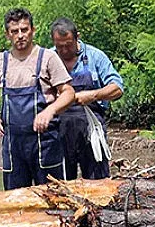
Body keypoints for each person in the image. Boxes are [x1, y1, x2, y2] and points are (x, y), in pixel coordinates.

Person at [0, 8, 74, 190]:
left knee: (53, 196)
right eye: (14, 31)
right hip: (13, 146)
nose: (20, 35)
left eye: (24, 30)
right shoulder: (1, 61)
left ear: (33, 30)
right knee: (14, 199)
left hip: (45, 143)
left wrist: (50, 111)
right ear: (7, 34)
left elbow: (68, 92)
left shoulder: (47, 57)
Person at [50, 17, 124, 180]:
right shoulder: (48, 59)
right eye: (59, 46)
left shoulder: (95, 56)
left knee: (98, 182)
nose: (64, 50)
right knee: (59, 184)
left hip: (91, 129)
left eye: (68, 45)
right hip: (58, 130)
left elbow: (117, 88)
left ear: (77, 37)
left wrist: (92, 95)